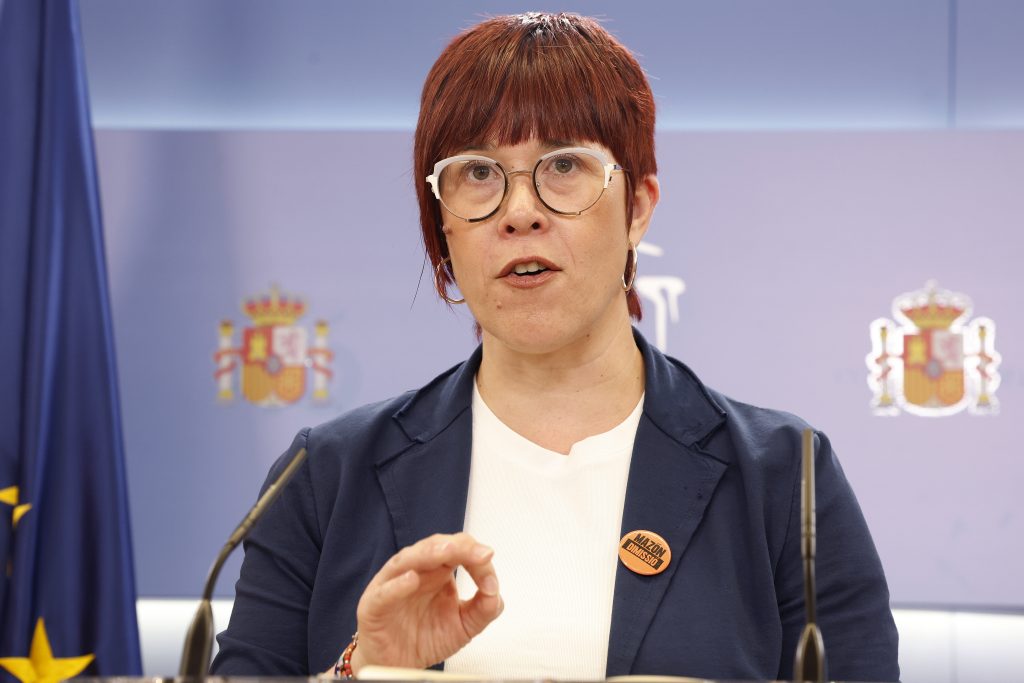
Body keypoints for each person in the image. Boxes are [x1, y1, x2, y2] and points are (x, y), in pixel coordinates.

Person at [211, 12, 899, 681]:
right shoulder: (324, 475)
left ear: (638, 207)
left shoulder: (786, 477)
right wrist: (358, 672)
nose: (519, 212)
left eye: (564, 165)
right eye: (478, 173)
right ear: (442, 223)